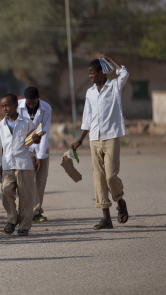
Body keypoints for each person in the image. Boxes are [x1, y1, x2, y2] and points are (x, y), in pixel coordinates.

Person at [71, 55, 129, 230]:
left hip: (111, 136)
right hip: (94, 138)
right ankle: (106, 219)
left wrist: (110, 59)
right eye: (88, 73)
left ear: (102, 72)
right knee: (99, 178)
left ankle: (120, 201)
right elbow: (87, 118)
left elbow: (124, 73)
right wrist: (79, 140)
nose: (90, 76)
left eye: (93, 73)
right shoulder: (90, 93)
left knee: (111, 176)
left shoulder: (114, 87)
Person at [0, 94, 41, 236]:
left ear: (16, 105)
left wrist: (37, 138)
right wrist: (0, 164)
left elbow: (34, 141)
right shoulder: (1, 124)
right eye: (3, 106)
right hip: (7, 164)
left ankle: (24, 226)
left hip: (24, 163)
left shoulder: (26, 122)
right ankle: (12, 218)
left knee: (26, 196)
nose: (5, 109)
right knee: (6, 190)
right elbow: (3, 146)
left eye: (7, 105)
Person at [17, 86, 52, 223]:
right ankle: (31, 211)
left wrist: (40, 155)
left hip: (41, 147)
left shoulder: (46, 108)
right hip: (25, 148)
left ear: (38, 98)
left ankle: (36, 211)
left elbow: (45, 130)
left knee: (41, 181)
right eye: (28, 102)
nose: (30, 105)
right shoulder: (18, 106)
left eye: (33, 102)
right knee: (28, 181)